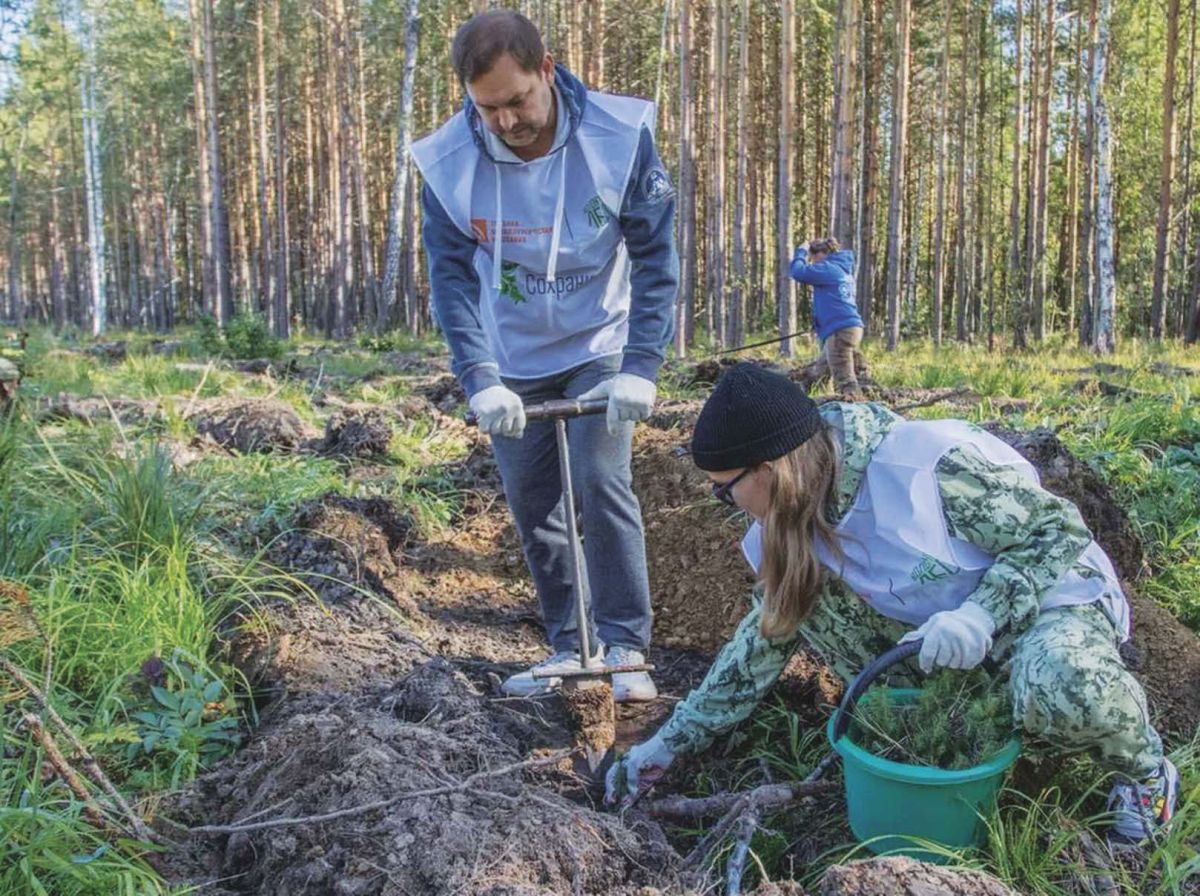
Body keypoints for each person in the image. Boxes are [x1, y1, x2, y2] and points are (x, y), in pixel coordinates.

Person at [607, 363, 1179, 845]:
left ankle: (1146, 774)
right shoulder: (787, 526)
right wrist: (668, 743)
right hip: (945, 625)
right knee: (803, 604)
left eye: (723, 487)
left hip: (1050, 602)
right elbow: (759, 646)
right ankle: (985, 719)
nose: (722, 501)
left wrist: (983, 613)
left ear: (768, 469)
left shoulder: (923, 467)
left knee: (1063, 685)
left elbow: (1056, 532)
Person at [412, 10, 678, 702]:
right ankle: (570, 646)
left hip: (601, 342)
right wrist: (479, 377)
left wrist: (641, 365)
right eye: (487, 108)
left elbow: (656, 259)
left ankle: (624, 648)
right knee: (536, 505)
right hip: (515, 358)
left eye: (517, 100)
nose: (505, 121)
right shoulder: (447, 164)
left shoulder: (617, 138)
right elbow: (449, 280)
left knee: (599, 478)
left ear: (547, 72)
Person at [789, 237, 864, 397]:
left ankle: (855, 410)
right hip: (848, 327)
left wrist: (801, 251)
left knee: (845, 381)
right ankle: (816, 405)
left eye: (813, 257)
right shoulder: (841, 269)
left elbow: (798, 272)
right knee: (820, 373)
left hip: (840, 330)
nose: (813, 262)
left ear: (823, 253)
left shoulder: (828, 268)